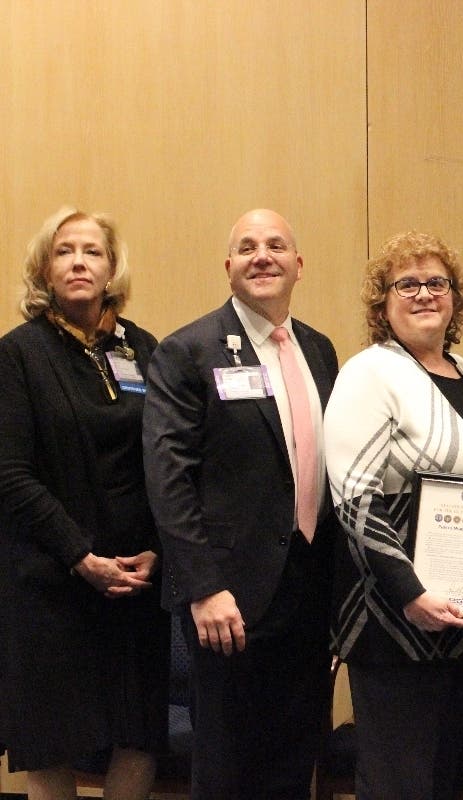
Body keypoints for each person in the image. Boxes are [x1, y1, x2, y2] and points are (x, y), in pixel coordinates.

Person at [142, 209, 338, 800]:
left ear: (298, 266)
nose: (262, 255)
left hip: (309, 587)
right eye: (247, 247)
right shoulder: (188, 351)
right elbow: (168, 477)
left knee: (293, 752)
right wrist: (202, 586)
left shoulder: (320, 350)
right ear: (228, 266)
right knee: (228, 762)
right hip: (228, 594)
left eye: (276, 245)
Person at [324, 231, 463, 799]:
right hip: (394, 620)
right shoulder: (370, 372)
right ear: (382, 302)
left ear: (455, 297)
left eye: (437, 282)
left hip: (462, 617)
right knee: (398, 782)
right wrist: (409, 590)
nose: (424, 294)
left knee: (444, 779)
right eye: (406, 284)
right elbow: (354, 499)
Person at [0, 208, 168, 800]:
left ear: (111, 267)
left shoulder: (144, 349)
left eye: (92, 251)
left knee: (138, 731)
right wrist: (80, 557)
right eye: (64, 250)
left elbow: (167, 461)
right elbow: (10, 473)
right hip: (50, 581)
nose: (79, 261)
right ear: (45, 269)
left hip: (133, 579)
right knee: (51, 738)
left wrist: (154, 548)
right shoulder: (18, 354)